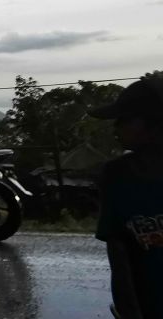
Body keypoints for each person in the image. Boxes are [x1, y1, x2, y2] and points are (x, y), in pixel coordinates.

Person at [89, 73, 163, 319]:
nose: (116, 126)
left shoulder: (117, 175)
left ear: (152, 123)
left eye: (124, 119)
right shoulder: (116, 175)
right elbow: (119, 256)